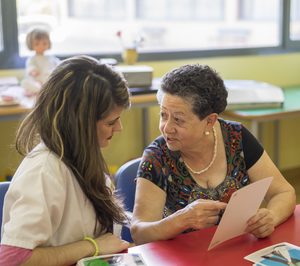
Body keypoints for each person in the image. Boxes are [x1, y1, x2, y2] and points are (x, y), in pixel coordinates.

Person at [131, 64, 296, 245]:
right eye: (163, 115)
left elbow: (283, 192)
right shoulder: (157, 157)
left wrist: (271, 217)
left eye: (178, 119)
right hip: (181, 256)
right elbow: (139, 232)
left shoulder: (237, 138)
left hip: (235, 249)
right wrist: (180, 220)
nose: (167, 128)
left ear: (210, 121)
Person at [0, 55, 131, 265]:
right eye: (111, 122)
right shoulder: (44, 171)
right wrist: (94, 246)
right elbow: (12, 259)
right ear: (81, 124)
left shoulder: (83, 156)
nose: (119, 128)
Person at [21, 28, 60, 96]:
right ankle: (40, 90)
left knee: (57, 82)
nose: (41, 46)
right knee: (25, 82)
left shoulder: (51, 58)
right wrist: (33, 71)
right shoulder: (32, 59)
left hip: (49, 80)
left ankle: (42, 90)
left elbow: (59, 64)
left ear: (48, 43)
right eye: (37, 44)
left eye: (44, 43)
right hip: (37, 81)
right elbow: (30, 67)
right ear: (31, 44)